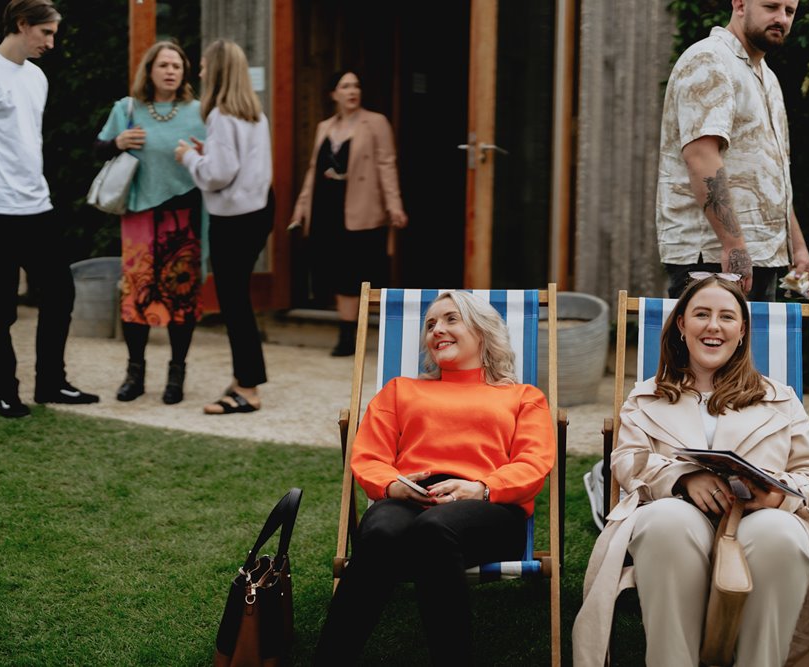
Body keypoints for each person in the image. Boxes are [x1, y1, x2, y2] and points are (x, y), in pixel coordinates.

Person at [573, 274, 809, 666]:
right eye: (701, 314)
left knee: (780, 532)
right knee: (666, 520)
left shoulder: (779, 399)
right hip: (677, 517)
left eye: (727, 317)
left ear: (742, 331)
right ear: (681, 325)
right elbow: (627, 460)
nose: (713, 326)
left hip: (757, 517)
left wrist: (777, 491)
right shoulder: (646, 397)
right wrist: (682, 478)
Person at [312, 291, 555, 665]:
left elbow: (533, 461)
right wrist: (395, 486)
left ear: (482, 330)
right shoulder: (400, 391)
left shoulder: (523, 397)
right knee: (379, 533)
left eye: (450, 319)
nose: (437, 329)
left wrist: (481, 488)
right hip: (409, 495)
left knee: (434, 530)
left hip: (488, 505)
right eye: (430, 324)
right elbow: (369, 455)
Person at [655, 0, 809, 301]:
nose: (781, 19)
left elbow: (772, 176)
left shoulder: (767, 78)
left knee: (749, 351)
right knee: (711, 349)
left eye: (789, 11)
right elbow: (701, 157)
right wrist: (733, 244)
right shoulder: (709, 59)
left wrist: (797, 249)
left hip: (759, 256)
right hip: (712, 258)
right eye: (771, 6)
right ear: (740, 3)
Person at [0, 0, 99, 419]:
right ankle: (3, 390)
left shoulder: (36, 77)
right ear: (23, 25)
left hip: (38, 206)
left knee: (60, 293)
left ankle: (51, 383)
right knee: (1, 308)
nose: (52, 43)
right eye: (47, 33)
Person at [95, 41, 206, 405]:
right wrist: (118, 141)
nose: (171, 71)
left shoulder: (199, 112)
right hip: (139, 216)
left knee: (181, 299)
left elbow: (215, 163)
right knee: (136, 296)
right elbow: (98, 149)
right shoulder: (127, 108)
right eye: (164, 65)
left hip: (184, 218)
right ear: (150, 70)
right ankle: (135, 374)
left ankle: (177, 376)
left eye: (177, 65)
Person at [175, 39, 272, 415]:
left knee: (234, 302)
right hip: (259, 208)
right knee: (238, 299)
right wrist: (207, 154)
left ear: (215, 71)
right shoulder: (253, 114)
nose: (198, 72)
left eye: (202, 66)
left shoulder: (219, 115)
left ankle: (247, 389)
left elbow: (218, 175)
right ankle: (246, 377)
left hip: (234, 218)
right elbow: (233, 164)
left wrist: (188, 159)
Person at [289, 70, 407, 357]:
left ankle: (352, 335)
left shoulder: (375, 123)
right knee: (335, 270)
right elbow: (311, 172)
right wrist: (301, 209)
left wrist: (394, 205)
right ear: (334, 94)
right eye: (345, 86)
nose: (352, 91)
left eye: (356, 85)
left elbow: (386, 165)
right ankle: (346, 334)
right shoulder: (324, 127)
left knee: (356, 271)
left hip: (362, 206)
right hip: (327, 206)